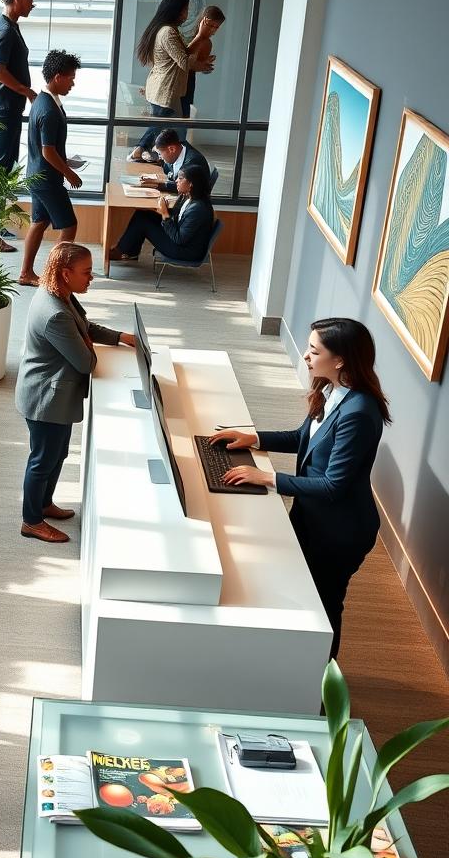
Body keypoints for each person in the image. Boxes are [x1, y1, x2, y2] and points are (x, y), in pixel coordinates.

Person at [211, 318, 391, 659]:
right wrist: (254, 438)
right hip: (314, 516)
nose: (307, 356)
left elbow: (334, 484)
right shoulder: (330, 389)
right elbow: (304, 439)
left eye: (313, 350)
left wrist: (267, 478)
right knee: (301, 589)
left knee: (325, 605)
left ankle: (322, 687)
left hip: (341, 530)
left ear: (340, 359)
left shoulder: (359, 413)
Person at [15, 242, 136, 544]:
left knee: (58, 454)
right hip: (46, 398)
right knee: (43, 459)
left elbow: (84, 327)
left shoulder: (59, 294)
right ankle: (31, 521)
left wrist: (118, 337)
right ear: (66, 273)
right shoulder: (54, 312)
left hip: (57, 395)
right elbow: (85, 362)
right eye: (86, 273)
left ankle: (44, 504)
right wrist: (88, 346)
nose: (91, 278)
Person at [18, 50, 83, 288]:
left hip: (36, 174)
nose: (73, 83)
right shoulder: (47, 109)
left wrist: (66, 164)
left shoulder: (43, 101)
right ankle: (52, 275)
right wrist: (69, 172)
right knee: (69, 226)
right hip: (46, 179)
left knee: (40, 221)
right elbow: (48, 151)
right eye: (71, 78)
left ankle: (26, 273)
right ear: (58, 77)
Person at [128, 0, 215, 162]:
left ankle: (150, 152)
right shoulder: (168, 32)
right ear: (175, 10)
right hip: (165, 87)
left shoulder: (170, 30)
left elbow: (183, 55)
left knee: (163, 124)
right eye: (185, 10)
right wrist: (200, 36)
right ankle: (139, 150)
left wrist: (199, 59)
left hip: (166, 87)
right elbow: (183, 61)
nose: (187, 14)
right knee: (161, 123)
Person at [0, 0, 39, 244]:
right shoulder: (6, 31)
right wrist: (26, 90)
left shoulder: (10, 25)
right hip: (4, 107)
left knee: (4, 167)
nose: (33, 4)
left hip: (9, 108)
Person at [111, 163, 214, 263]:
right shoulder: (188, 195)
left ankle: (121, 251)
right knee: (142, 214)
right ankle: (129, 252)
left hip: (185, 251)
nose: (177, 181)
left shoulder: (198, 209)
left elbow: (179, 239)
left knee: (142, 222)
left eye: (180, 179)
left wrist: (164, 214)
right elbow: (176, 216)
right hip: (181, 238)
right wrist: (156, 210)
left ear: (191, 184)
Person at [178, 5, 225, 138]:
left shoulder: (207, 43)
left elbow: (195, 66)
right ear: (202, 21)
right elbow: (182, 61)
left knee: (182, 120)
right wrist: (201, 65)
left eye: (216, 27)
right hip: (176, 82)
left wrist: (204, 65)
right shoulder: (186, 37)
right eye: (210, 26)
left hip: (188, 83)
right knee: (172, 120)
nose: (213, 30)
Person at [138, 128, 210, 194]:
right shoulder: (177, 152)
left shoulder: (193, 162)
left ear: (172, 149)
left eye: (160, 154)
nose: (160, 157)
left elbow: (183, 186)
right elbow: (168, 171)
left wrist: (157, 183)